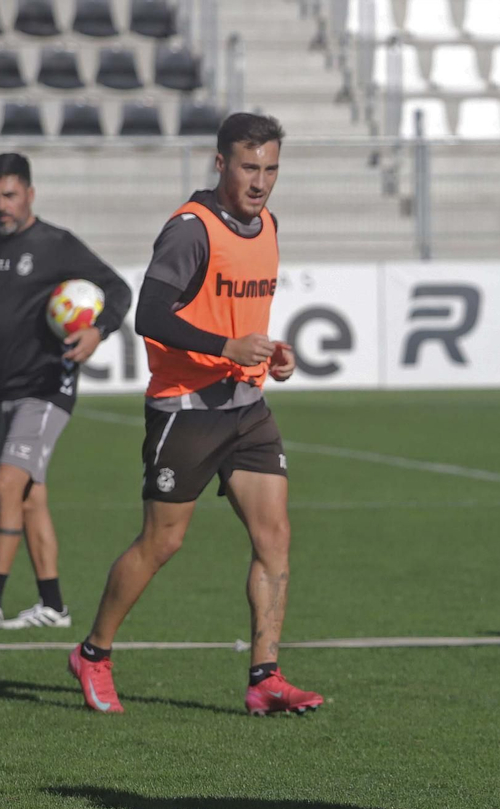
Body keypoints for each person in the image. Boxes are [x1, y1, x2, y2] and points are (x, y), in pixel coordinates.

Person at [68, 113, 323, 716]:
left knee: (275, 537)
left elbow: (238, 315)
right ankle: (93, 653)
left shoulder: (268, 224)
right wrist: (226, 348)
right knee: (163, 542)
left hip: (246, 409)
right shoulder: (190, 229)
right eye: (248, 167)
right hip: (186, 411)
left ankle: (265, 676)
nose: (260, 181)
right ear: (220, 164)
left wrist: (270, 353)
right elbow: (150, 316)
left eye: (271, 169)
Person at [0, 153, 132, 631]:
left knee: (6, 483)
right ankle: (53, 606)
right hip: (4, 389)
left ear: (30, 194)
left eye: (10, 195)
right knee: (29, 495)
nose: (1, 205)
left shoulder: (56, 245)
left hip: (47, 386)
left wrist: (98, 330)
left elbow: (118, 289)